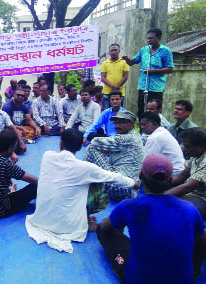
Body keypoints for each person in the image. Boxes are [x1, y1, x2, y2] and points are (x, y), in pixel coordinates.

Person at [97, 154, 206, 284]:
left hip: (138, 279)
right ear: (171, 180)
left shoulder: (130, 206)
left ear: (141, 176)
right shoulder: (189, 209)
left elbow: (106, 227)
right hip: (183, 280)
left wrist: (104, 225)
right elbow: (202, 242)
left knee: (103, 230)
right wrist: (193, 271)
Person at [25, 129, 135, 253]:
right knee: (101, 182)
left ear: (60, 143)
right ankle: (85, 220)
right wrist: (133, 183)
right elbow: (115, 178)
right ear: (79, 147)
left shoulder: (47, 156)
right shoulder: (86, 168)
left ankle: (85, 217)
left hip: (42, 220)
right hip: (70, 227)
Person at [84, 111, 144, 212]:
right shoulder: (136, 135)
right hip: (129, 188)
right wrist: (108, 149)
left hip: (120, 186)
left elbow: (95, 142)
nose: (117, 126)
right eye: (116, 123)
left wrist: (104, 147)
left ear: (132, 124)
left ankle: (83, 181)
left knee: (91, 148)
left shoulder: (127, 138)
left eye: (121, 122)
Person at [122, 28, 174, 116]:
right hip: (143, 86)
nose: (149, 40)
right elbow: (132, 62)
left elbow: (170, 69)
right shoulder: (144, 50)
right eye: (148, 38)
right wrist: (127, 59)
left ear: (159, 38)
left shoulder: (165, 51)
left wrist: (153, 71)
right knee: (141, 110)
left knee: (154, 113)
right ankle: (142, 129)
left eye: (151, 38)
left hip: (156, 88)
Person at [165, 127, 206, 220]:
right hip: (192, 193)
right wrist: (160, 183)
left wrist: (161, 197)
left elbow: (189, 186)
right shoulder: (195, 155)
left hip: (203, 198)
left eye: (188, 146)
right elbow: (182, 175)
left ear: (201, 145)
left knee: (182, 209)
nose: (183, 149)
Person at [101, 44, 129, 109]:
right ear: (109, 52)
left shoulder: (124, 62)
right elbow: (103, 78)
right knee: (106, 111)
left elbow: (125, 76)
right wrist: (113, 86)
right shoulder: (105, 63)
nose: (113, 52)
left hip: (120, 92)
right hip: (107, 92)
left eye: (115, 50)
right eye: (112, 50)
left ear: (119, 51)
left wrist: (117, 86)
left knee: (119, 113)